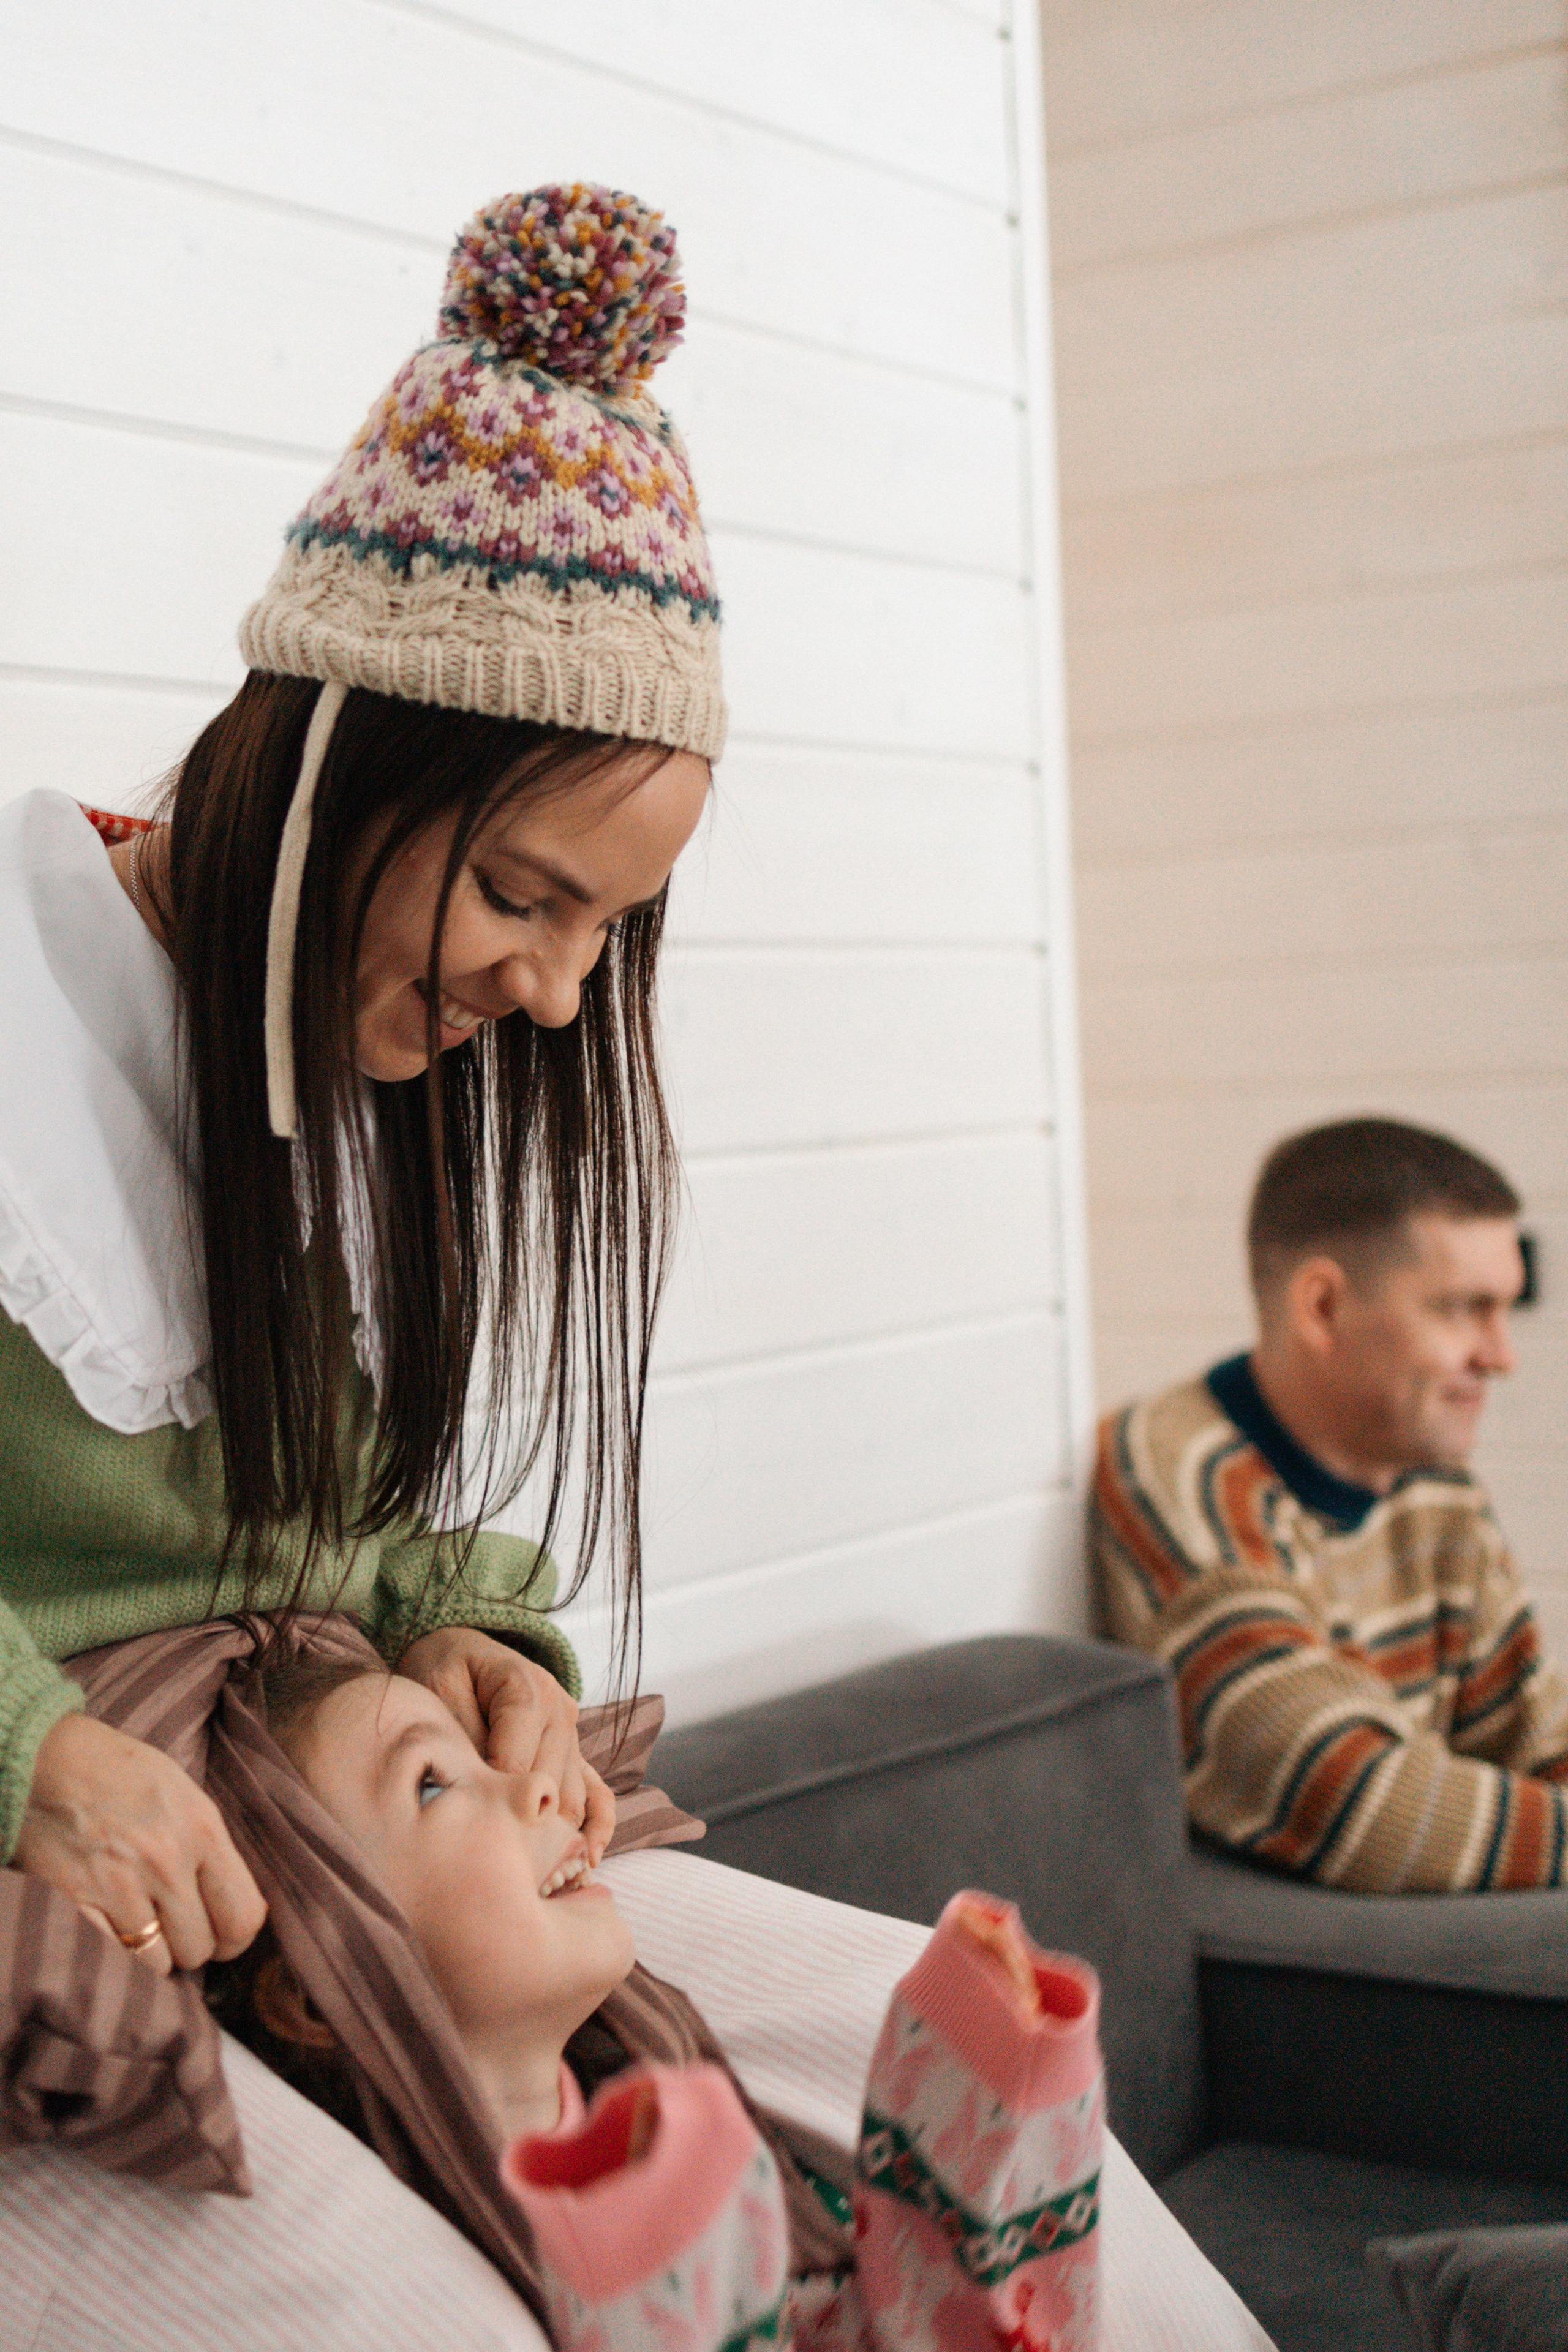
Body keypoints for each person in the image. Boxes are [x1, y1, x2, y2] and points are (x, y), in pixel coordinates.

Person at [0, 183, 723, 1973]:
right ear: (333, 766)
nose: (553, 997)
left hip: (332, 1814)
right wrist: (35, 1756)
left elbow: (305, 1548)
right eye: (517, 894)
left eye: (601, 932)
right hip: (116, 1885)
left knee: (859, 2032)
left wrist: (447, 1638)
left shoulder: (352, 1080)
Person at [213, 1650, 1105, 2352]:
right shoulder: (404, 2283)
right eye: (434, 1783)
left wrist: (986, 2074)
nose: (537, 1784)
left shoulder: (720, 2151)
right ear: (317, 1993)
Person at [1092, 1116, 1568, 1893]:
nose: (1500, 1356)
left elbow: (1531, 1735)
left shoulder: (1432, 1482)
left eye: (1505, 1309)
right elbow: (1356, 1801)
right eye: (1462, 1309)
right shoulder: (1181, 1473)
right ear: (1321, 1307)